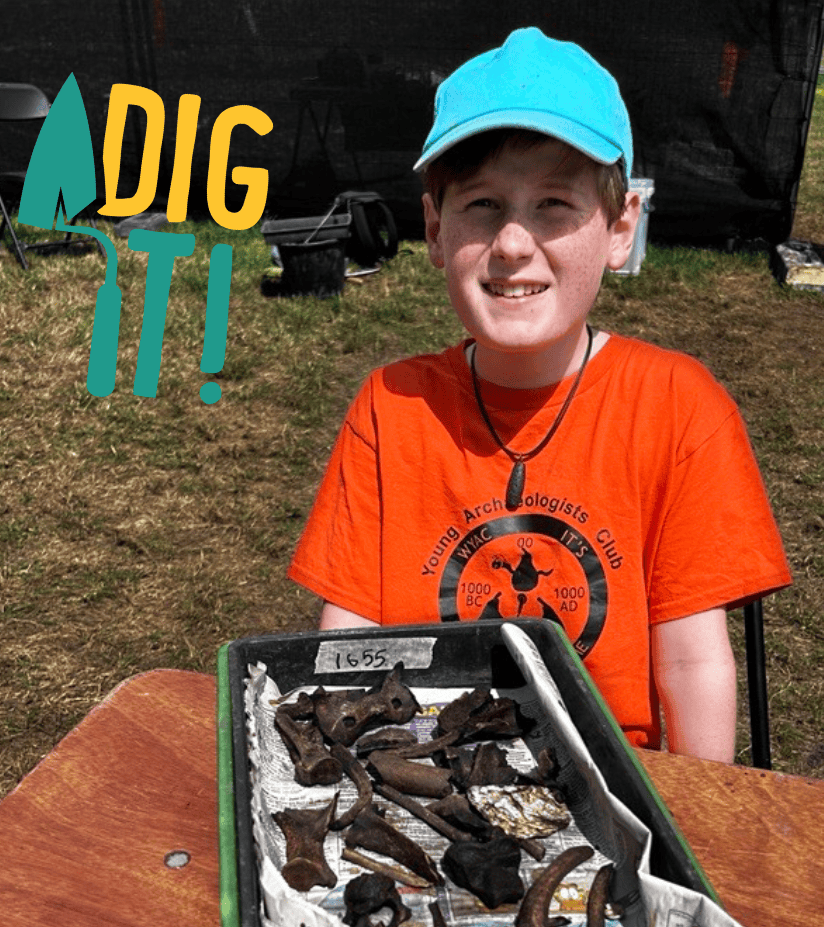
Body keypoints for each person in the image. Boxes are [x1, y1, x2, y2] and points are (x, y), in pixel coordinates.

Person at [287, 27, 791, 763]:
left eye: (554, 204)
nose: (514, 243)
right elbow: (350, 641)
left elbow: (691, 663)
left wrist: (694, 822)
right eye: (483, 205)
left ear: (621, 230)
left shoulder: (681, 407)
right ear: (434, 230)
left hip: (617, 774)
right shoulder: (389, 407)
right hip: (425, 760)